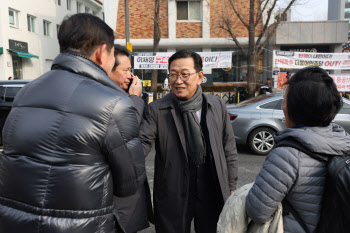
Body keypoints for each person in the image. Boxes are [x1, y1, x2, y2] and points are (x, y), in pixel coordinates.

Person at [0, 13, 146, 233]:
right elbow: (130, 184)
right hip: (82, 225)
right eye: (113, 54)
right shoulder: (113, 103)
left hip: (17, 221)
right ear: (101, 52)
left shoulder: (25, 92)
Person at [140, 50, 238, 233]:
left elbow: (229, 148)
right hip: (174, 190)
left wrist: (231, 185)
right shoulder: (157, 110)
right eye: (173, 74)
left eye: (184, 74)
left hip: (211, 186)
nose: (178, 81)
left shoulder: (216, 105)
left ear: (200, 76)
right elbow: (140, 146)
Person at [245, 66, 350, 233]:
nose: (283, 107)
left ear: (296, 109)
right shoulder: (344, 142)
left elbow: (257, 211)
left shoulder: (286, 155)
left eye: (284, 102)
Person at [110, 44, 153, 233]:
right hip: (116, 199)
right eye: (126, 70)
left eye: (131, 70)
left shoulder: (121, 94)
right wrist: (135, 99)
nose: (131, 75)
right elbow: (126, 133)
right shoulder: (107, 98)